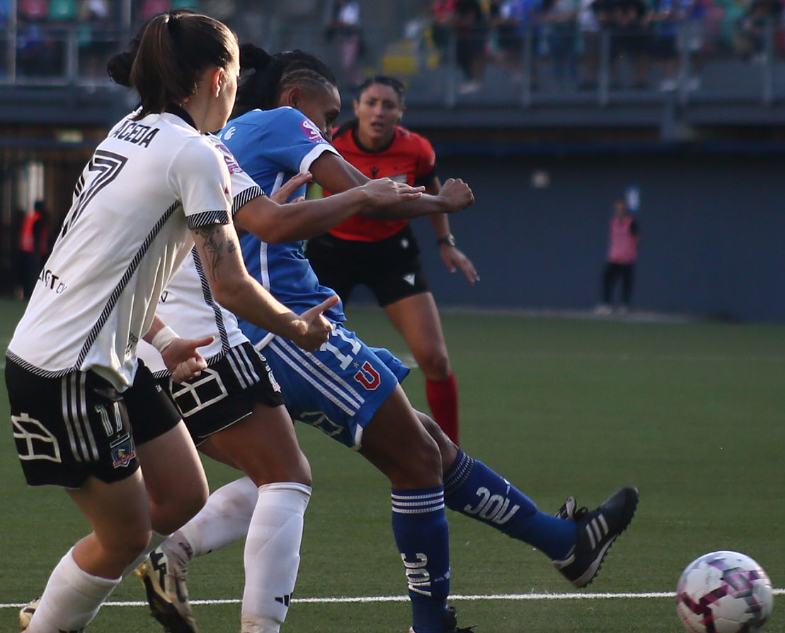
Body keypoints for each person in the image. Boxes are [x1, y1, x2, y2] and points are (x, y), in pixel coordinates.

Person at [138, 48, 638, 633]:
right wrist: (442, 202)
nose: (331, 131)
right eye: (329, 117)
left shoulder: (226, 139)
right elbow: (365, 193)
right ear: (295, 99)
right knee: (410, 460)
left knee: (422, 444)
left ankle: (564, 543)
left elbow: (273, 221)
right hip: (292, 328)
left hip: (252, 333)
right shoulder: (283, 122)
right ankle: (431, 623)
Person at [8, 11, 335, 633]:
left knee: (183, 495)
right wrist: (298, 329)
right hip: (68, 370)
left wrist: (161, 337)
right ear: (218, 78)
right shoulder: (194, 153)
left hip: (103, 353)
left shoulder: (130, 129)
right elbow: (230, 283)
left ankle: (48, 611)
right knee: (125, 536)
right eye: (236, 76)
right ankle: (46, 621)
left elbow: (103, 261)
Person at [305, 76, 475, 445]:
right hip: (332, 250)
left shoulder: (417, 150)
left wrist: (446, 241)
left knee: (435, 359)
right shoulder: (329, 143)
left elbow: (433, 190)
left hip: (391, 253)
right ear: (356, 108)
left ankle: (451, 457)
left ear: (401, 113)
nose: (378, 112)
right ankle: (269, 453)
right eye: (371, 103)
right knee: (293, 349)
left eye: (388, 105)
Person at [597, 198, 639, 314]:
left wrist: (630, 250)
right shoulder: (613, 221)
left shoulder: (631, 222)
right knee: (607, 280)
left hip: (627, 259)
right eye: (617, 209)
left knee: (626, 283)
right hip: (613, 257)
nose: (618, 211)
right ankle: (606, 305)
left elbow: (637, 239)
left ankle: (624, 306)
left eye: (621, 209)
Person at [15, 201, 50, 300]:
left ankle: (26, 293)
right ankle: (32, 294)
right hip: (33, 252)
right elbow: (36, 237)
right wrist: (38, 252)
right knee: (34, 274)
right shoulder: (38, 220)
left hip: (25, 250)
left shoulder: (29, 218)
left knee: (27, 274)